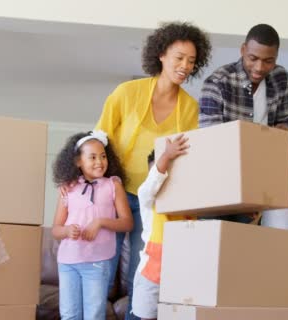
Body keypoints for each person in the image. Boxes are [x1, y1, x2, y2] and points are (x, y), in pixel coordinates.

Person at [94, 22, 212, 319]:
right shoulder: (126, 93)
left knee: (141, 271)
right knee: (101, 270)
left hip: (152, 201)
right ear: (161, 54)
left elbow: (187, 159)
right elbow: (100, 137)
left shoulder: (190, 109)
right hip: (114, 194)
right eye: (179, 57)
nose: (185, 66)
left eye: (191, 61)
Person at [52, 130, 133, 320]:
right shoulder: (68, 188)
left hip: (98, 262)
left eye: (103, 156)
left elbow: (127, 223)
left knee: (94, 315)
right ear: (78, 161)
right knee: (69, 314)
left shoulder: (113, 185)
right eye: (93, 157)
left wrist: (100, 222)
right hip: (68, 262)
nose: (99, 162)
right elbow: (56, 229)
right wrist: (66, 230)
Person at [132, 134, 194, 320]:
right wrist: (166, 157)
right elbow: (152, 183)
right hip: (152, 272)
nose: (162, 179)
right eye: (159, 173)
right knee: (147, 315)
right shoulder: (147, 198)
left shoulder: (189, 203)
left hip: (180, 274)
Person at [199, 23, 288, 131]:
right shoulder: (216, 83)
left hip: (270, 147)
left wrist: (286, 128)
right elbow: (210, 137)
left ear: (276, 56)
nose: (259, 68)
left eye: (268, 61)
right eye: (253, 58)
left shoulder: (280, 77)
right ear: (243, 50)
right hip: (230, 148)